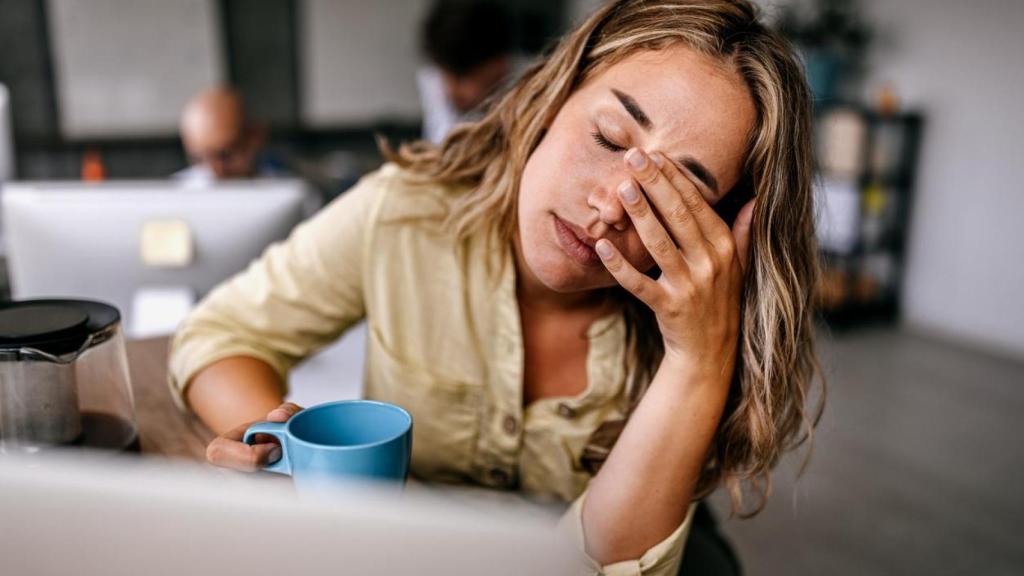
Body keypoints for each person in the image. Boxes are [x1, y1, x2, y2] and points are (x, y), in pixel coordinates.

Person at [170, 1, 822, 574]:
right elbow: (220, 333)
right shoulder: (405, 214)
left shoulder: (700, 319)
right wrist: (285, 455)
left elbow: (602, 567)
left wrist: (697, 359)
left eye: (675, 195)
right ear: (554, 95)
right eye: (608, 137)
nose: (610, 207)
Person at [417, 0, 517, 144]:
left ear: (498, 66)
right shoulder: (436, 81)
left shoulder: (528, 93)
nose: (451, 90)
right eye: (446, 76)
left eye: (461, 78)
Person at [174, 87, 284, 185]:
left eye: (224, 155)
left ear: (255, 138)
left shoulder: (283, 188)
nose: (214, 171)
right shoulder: (176, 192)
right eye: (199, 159)